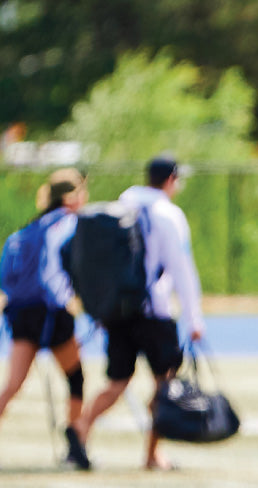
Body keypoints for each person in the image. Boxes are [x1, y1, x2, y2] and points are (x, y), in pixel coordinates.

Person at [73, 155, 206, 470]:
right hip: (154, 312)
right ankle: (152, 454)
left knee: (116, 382)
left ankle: (79, 436)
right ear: (170, 180)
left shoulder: (122, 206)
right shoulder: (168, 215)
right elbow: (182, 269)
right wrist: (194, 318)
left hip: (119, 311)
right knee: (165, 385)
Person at [0, 168, 91, 471]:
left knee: (13, 382)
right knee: (75, 377)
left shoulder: (32, 227)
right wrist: (70, 299)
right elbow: (57, 270)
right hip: (51, 312)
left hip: (22, 313)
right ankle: (75, 443)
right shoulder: (69, 224)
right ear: (71, 197)